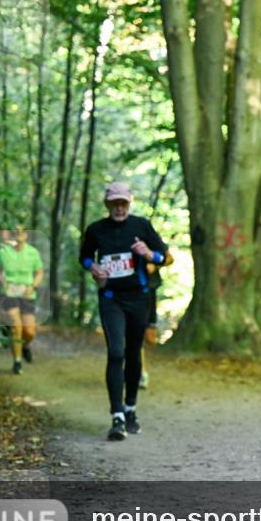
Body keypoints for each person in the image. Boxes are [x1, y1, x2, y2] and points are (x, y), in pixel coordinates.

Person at [79, 182, 170, 441]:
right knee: (116, 352)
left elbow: (164, 256)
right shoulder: (96, 230)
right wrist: (93, 267)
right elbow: (84, 257)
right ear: (108, 205)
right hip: (111, 298)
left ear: (129, 203)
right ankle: (116, 416)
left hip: (139, 298)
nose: (119, 208)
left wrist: (148, 253)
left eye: (123, 203)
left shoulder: (141, 226)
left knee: (133, 353)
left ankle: (130, 408)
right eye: (114, 203)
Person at [0, 227, 43, 374]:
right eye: (16, 231)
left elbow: (40, 272)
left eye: (22, 231)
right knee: (16, 326)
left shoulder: (33, 252)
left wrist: (34, 286)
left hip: (27, 294)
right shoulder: (4, 252)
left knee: (29, 331)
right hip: (9, 293)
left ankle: (25, 346)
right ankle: (17, 361)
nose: (19, 234)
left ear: (26, 235)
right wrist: (2, 281)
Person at [140, 248, 174, 390]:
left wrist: (155, 265)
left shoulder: (150, 238)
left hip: (149, 291)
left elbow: (170, 258)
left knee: (150, 338)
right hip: (129, 293)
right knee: (134, 333)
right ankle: (140, 372)